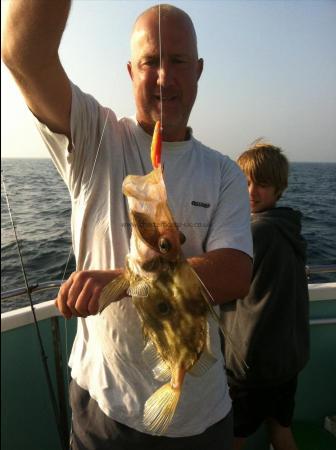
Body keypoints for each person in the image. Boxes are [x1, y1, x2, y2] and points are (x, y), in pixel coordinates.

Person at [2, 2, 253, 449]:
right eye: (150, 61)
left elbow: (235, 273)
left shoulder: (224, 173)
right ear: (129, 71)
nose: (163, 77)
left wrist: (128, 279)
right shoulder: (94, 138)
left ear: (198, 70)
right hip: (106, 412)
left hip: (203, 416)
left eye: (177, 61)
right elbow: (23, 51)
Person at [221, 140, 309, 450]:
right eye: (245, 182)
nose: (251, 191)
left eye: (262, 183)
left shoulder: (255, 232)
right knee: (280, 431)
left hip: (251, 368)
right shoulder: (289, 227)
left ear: (278, 188)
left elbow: (218, 282)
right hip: (287, 364)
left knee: (232, 437)